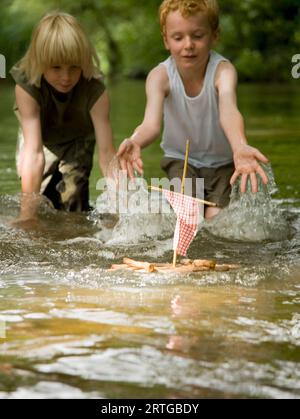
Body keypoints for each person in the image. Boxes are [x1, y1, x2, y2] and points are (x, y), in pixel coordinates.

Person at [117, 0, 269, 219]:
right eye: (178, 38)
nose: (188, 45)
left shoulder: (223, 71)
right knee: (189, 215)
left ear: (214, 35)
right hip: (181, 161)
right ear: (166, 40)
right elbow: (151, 124)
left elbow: (229, 110)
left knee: (216, 220)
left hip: (223, 164)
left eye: (197, 36)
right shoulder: (159, 77)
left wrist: (239, 146)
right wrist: (135, 140)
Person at [10, 12, 115, 224]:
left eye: (74, 67)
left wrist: (120, 206)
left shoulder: (95, 90)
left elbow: (107, 154)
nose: (66, 77)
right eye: (56, 67)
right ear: (40, 62)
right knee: (38, 203)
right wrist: (27, 217)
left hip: (78, 138)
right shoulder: (26, 87)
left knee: (74, 205)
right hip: (41, 139)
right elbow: (34, 153)